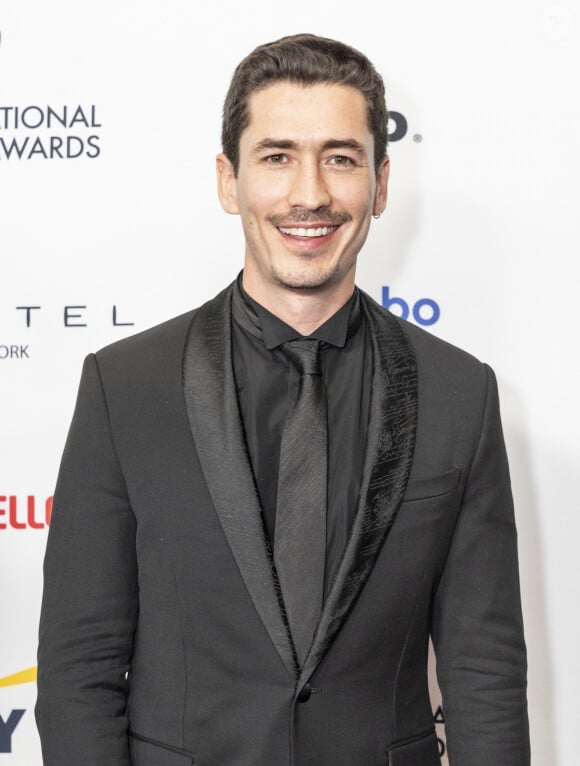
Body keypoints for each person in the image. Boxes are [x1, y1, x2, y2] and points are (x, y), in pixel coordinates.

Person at [35, 33, 530, 766]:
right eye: (277, 157)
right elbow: (80, 669)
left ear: (381, 183)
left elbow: (483, 670)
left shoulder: (461, 392)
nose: (310, 194)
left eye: (340, 158)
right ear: (229, 181)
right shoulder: (125, 387)